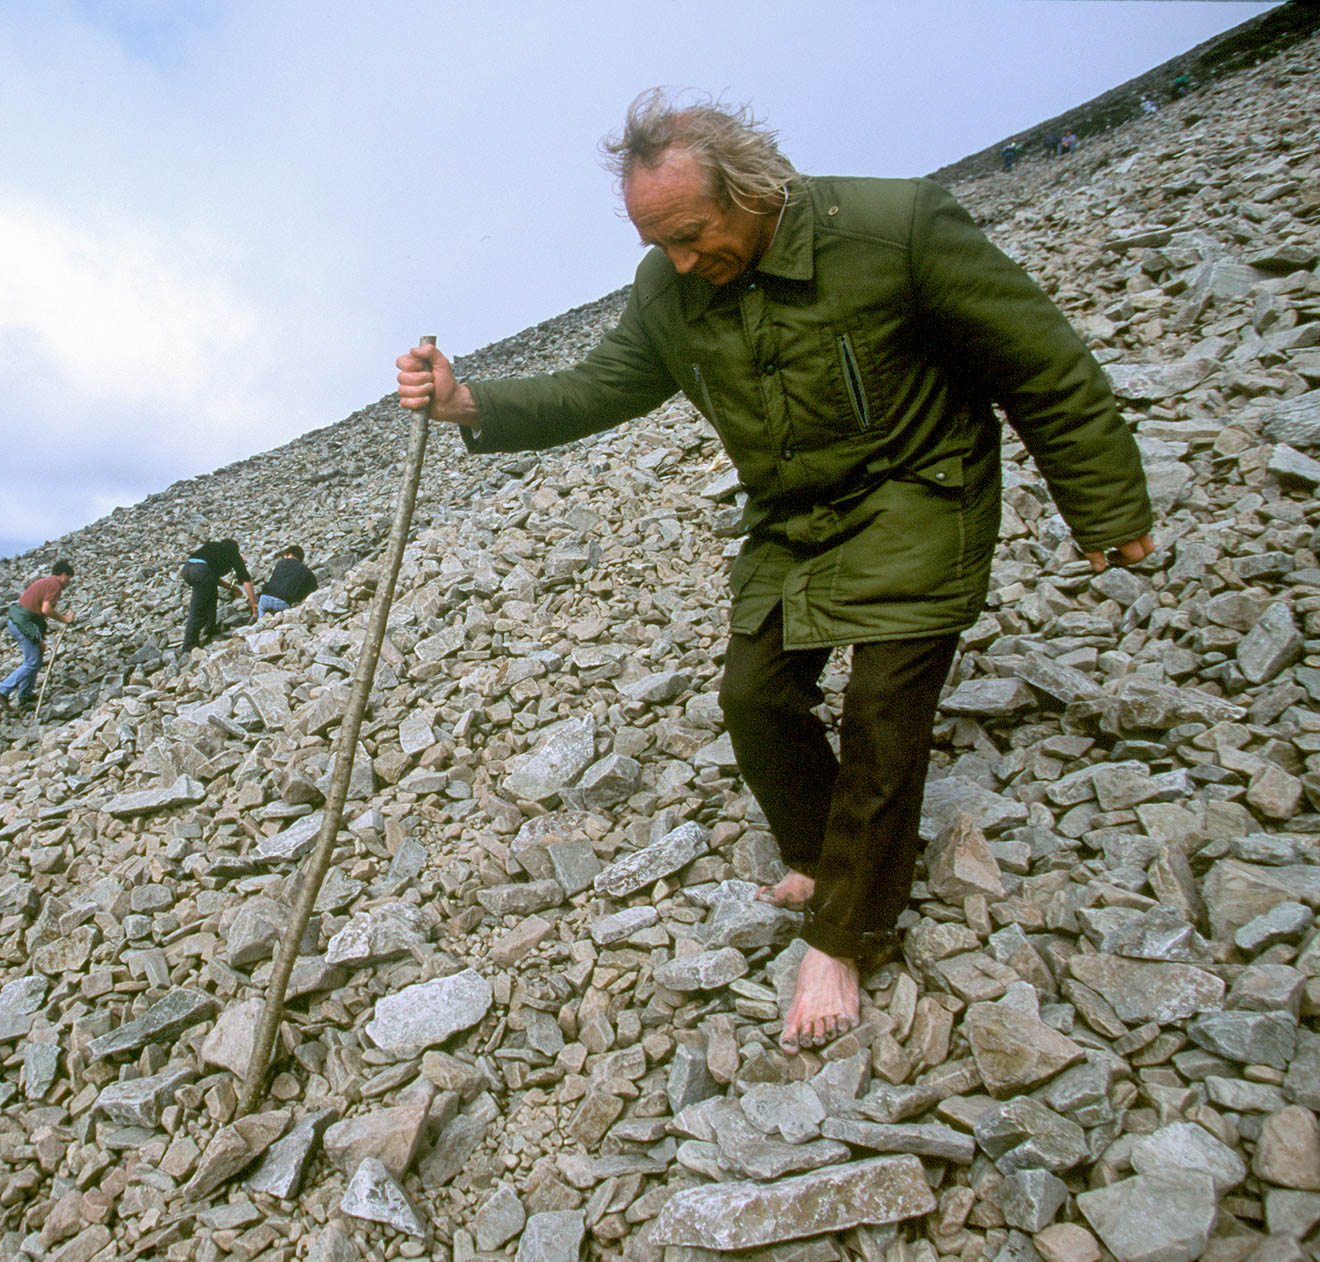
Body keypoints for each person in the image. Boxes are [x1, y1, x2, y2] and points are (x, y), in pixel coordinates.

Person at [394, 93, 1153, 1055]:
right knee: (753, 696)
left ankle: (847, 934)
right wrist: (469, 401)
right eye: (656, 241)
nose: (677, 261)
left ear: (754, 190)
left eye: (692, 235)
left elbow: (1041, 365)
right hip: (796, 519)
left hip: (920, 488)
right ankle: (818, 852)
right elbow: (599, 387)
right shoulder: (668, 289)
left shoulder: (897, 227)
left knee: (883, 710)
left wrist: (1106, 503)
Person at [0, 560, 75, 709]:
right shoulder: (55, 586)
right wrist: (65, 619)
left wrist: (39, 640)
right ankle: (3, 690)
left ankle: (25, 696)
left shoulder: (44, 582)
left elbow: (36, 612)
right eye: (69, 578)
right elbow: (45, 609)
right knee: (32, 662)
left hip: (20, 622)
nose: (69, 582)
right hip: (23, 624)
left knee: (35, 658)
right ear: (63, 575)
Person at [180, 540, 256, 653]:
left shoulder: (211, 548)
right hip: (200, 572)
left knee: (211, 595)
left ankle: (210, 628)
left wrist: (232, 588)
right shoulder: (233, 554)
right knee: (198, 609)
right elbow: (246, 580)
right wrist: (253, 603)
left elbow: (212, 577)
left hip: (187, 569)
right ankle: (189, 645)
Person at [258, 544, 319, 617]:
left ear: (289, 554)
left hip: (266, 597)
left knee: (261, 613)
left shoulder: (280, 563)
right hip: (283, 602)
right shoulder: (306, 570)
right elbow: (314, 590)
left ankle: (260, 622)